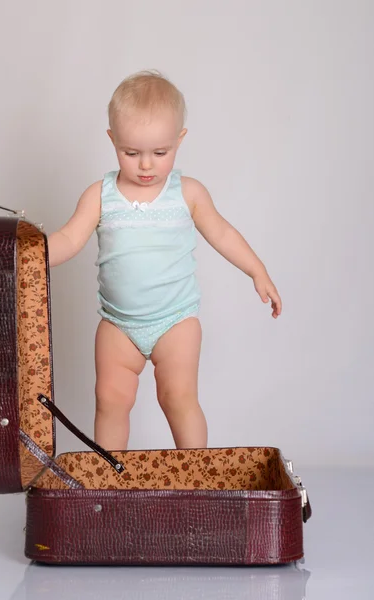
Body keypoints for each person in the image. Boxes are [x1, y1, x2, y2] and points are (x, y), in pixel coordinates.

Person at [48, 70, 282, 452]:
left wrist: (258, 271)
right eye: (130, 152)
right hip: (118, 325)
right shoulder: (101, 194)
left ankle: (195, 479)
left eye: (160, 153)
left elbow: (221, 233)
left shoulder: (187, 193)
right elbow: (69, 238)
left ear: (179, 140)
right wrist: (29, 256)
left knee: (178, 398)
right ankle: (113, 484)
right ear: (112, 140)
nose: (145, 165)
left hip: (175, 321)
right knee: (110, 401)